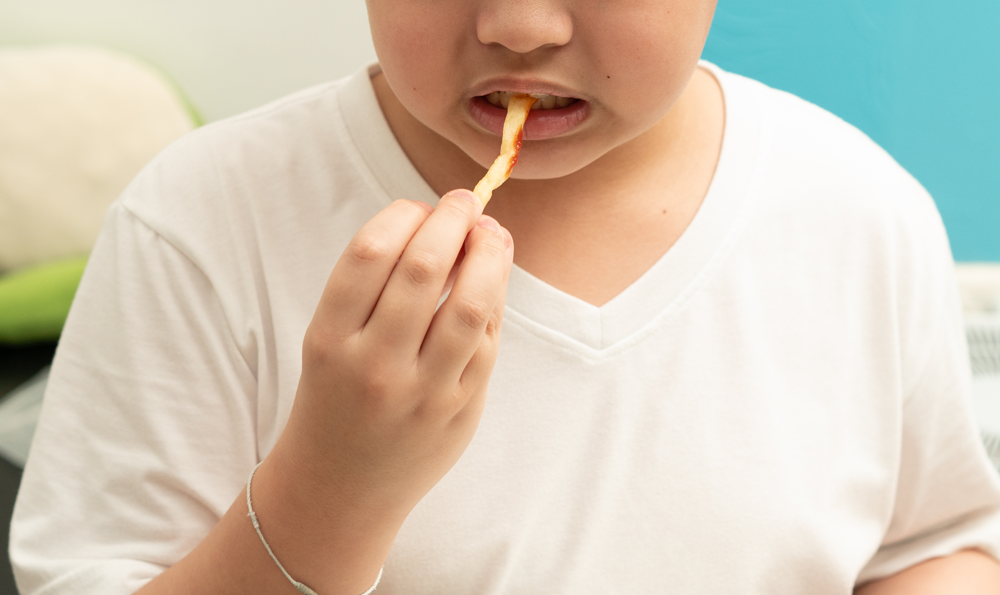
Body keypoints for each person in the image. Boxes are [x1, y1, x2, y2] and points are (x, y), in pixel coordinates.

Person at [10, 1, 1000, 593]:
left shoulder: (857, 211)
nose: (520, 24)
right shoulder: (202, 221)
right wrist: (333, 484)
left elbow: (930, 544)